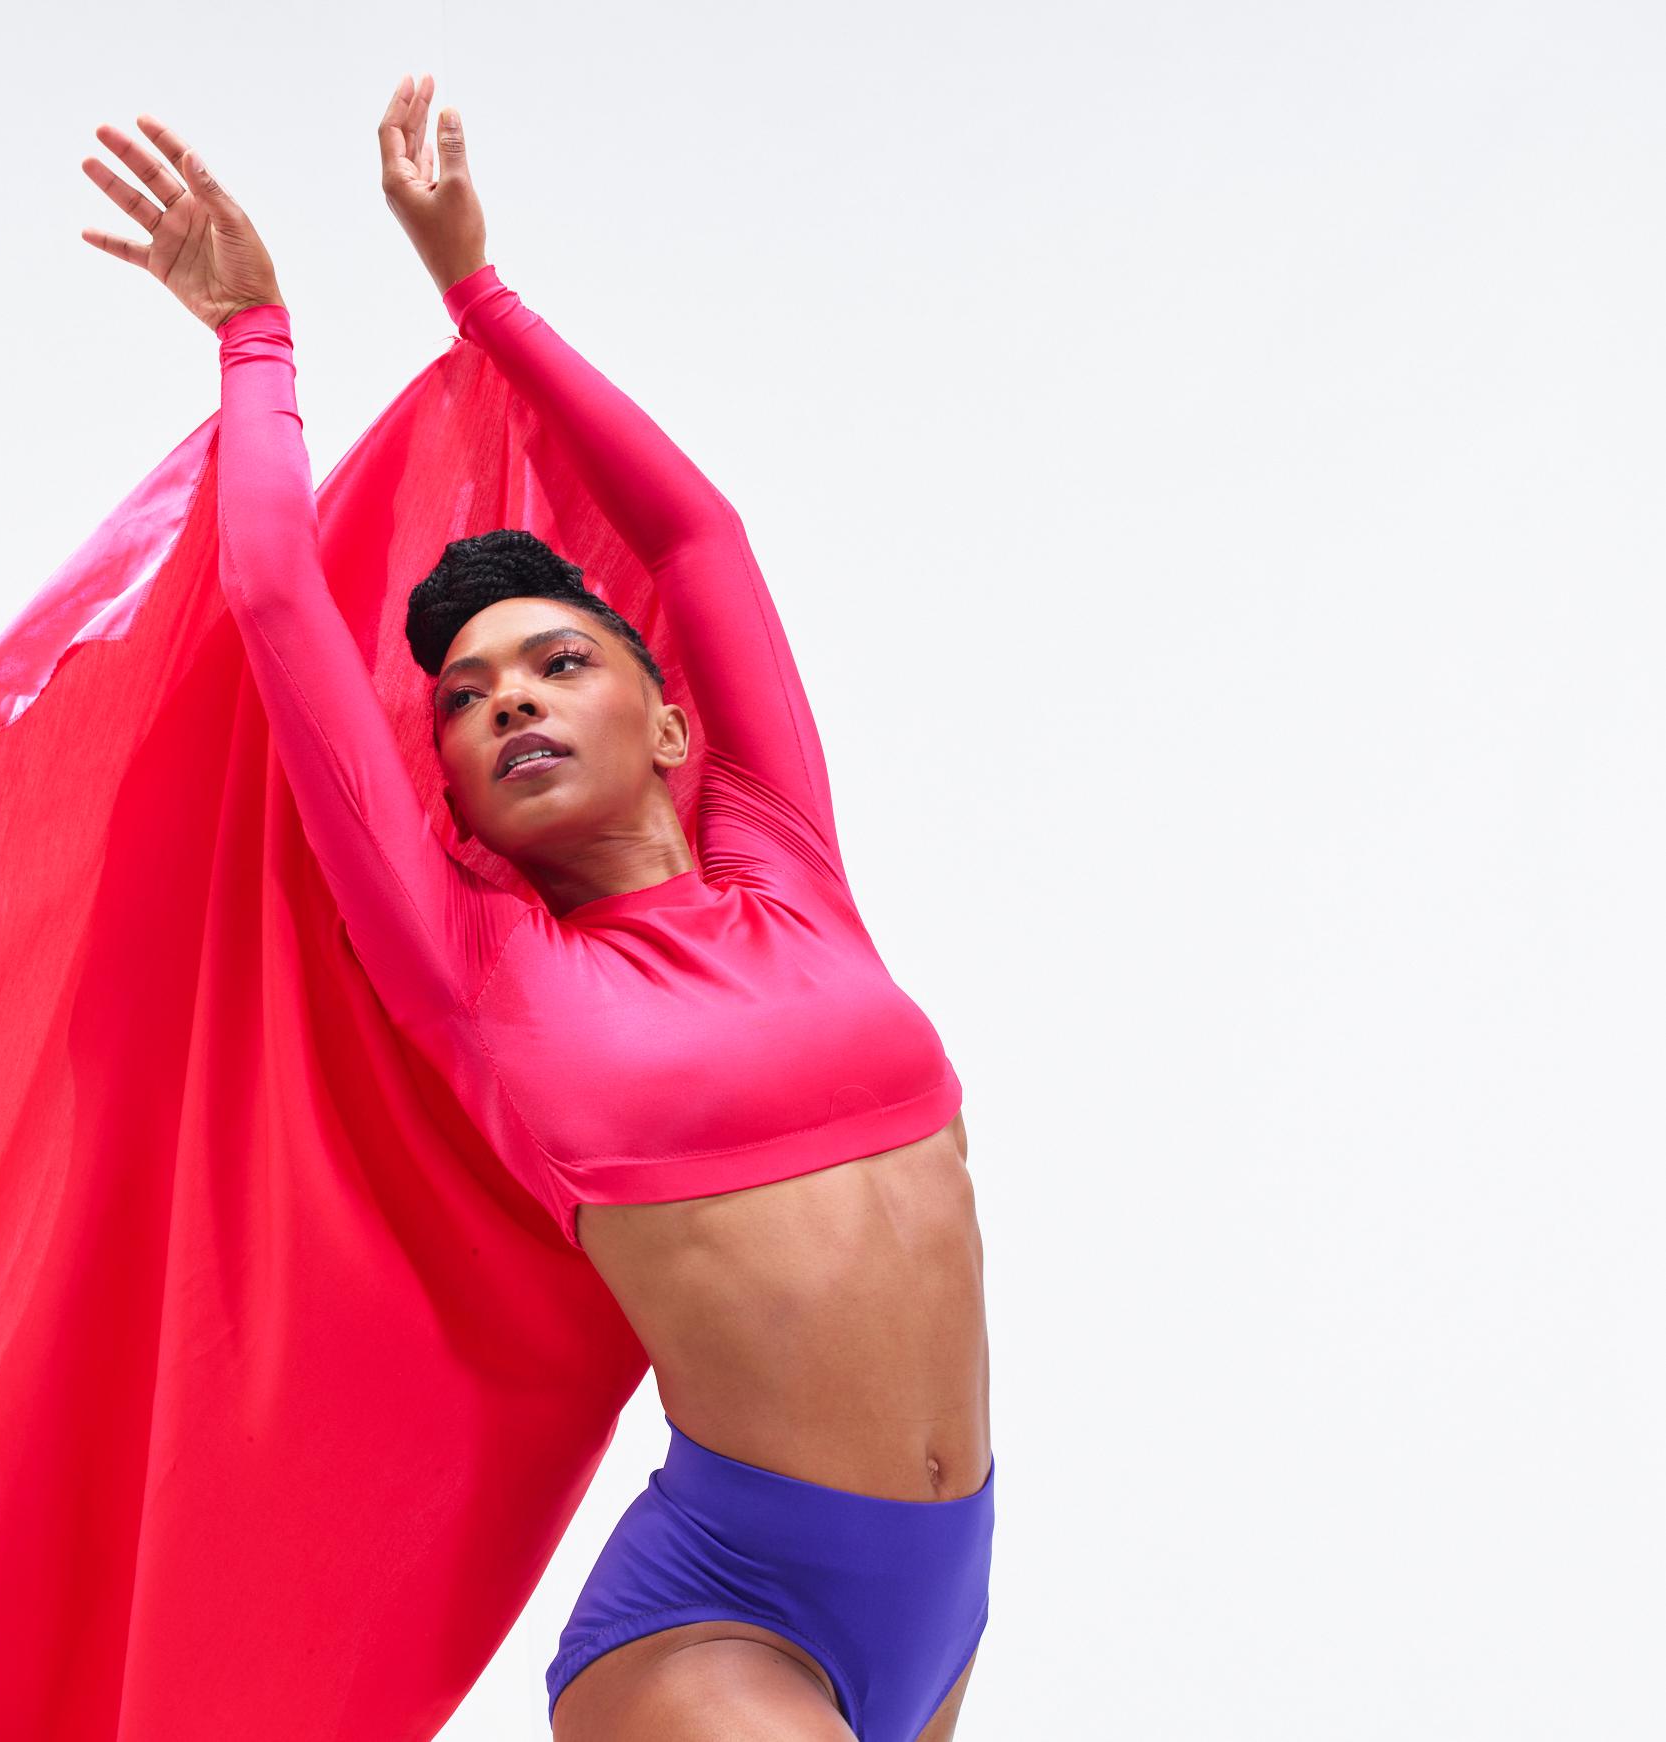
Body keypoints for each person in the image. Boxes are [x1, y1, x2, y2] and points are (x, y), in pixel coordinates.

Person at [80, 73, 995, 1742]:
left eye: (558, 661)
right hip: (722, 1619)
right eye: (463, 696)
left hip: (940, 1600)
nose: (505, 699)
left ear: (665, 724)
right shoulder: (476, 968)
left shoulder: (785, 862)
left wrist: (477, 290)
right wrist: (256, 337)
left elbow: (693, 532)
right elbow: (279, 600)